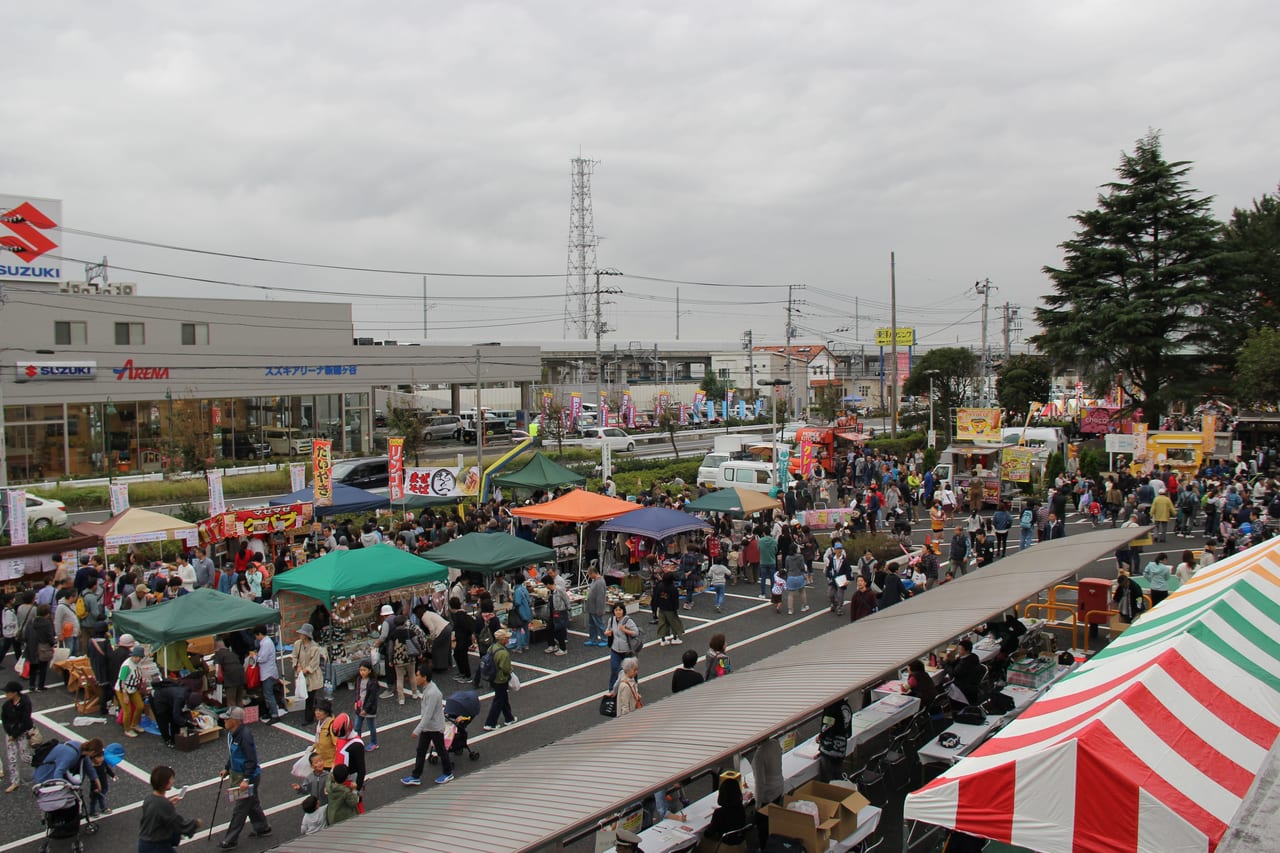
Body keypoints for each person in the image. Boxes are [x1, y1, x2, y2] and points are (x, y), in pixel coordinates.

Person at [217, 706, 271, 849]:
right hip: (238, 774)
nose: (224, 720)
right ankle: (263, 827)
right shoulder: (231, 734)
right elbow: (233, 754)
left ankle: (230, 839)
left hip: (248, 777)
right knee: (251, 804)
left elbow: (251, 759)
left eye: (227, 718)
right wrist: (227, 768)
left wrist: (246, 779)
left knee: (240, 809)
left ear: (235, 720)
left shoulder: (245, 736)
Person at [401, 664, 453, 786]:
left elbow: (428, 715)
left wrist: (417, 730)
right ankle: (415, 776)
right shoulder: (428, 689)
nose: (415, 677)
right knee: (421, 750)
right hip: (428, 727)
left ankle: (448, 772)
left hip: (434, 727)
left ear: (424, 677)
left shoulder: (432, 693)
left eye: (417, 675)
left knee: (441, 750)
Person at [138, 765, 202, 853]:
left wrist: (168, 803)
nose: (173, 781)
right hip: (157, 846)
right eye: (171, 779)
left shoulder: (149, 798)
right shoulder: (163, 804)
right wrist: (195, 823)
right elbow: (179, 824)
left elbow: (156, 813)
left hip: (143, 844)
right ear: (165, 783)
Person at [482, 628, 516, 731]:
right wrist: (511, 672)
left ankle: (509, 718)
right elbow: (506, 668)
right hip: (501, 679)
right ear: (503, 640)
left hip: (492, 677)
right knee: (499, 700)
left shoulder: (492, 647)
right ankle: (490, 723)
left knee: (503, 698)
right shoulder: (503, 653)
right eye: (507, 638)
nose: (509, 640)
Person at [2, 681, 33, 792]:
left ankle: (42, 766)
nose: (6, 694)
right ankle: (15, 782)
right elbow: (4, 720)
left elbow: (26, 721)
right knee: (12, 758)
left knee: (25, 757)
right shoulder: (6, 705)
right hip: (11, 734)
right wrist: (10, 733)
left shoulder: (25, 703)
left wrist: (14, 735)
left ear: (15, 693)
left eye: (8, 692)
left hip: (23, 733)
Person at [150, 680, 199, 749]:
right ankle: (167, 740)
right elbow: (176, 716)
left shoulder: (187, 693)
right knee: (163, 720)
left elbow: (184, 711)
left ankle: (175, 738)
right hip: (157, 698)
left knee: (173, 719)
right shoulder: (180, 697)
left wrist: (189, 721)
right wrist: (187, 722)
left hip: (168, 699)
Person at [293, 624, 327, 724]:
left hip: (312, 676)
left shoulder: (315, 647)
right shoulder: (297, 644)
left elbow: (314, 663)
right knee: (308, 696)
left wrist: (305, 670)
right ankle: (316, 712)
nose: (300, 634)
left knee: (310, 697)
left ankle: (309, 718)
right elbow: (294, 656)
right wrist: (297, 666)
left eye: (302, 633)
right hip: (301, 674)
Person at [250, 625, 283, 724]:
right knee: (269, 694)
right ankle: (272, 712)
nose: (256, 638)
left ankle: (274, 715)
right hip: (270, 671)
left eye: (256, 635)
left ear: (259, 634)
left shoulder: (265, 643)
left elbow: (262, 659)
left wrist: (254, 656)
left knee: (268, 694)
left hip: (267, 672)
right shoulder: (267, 642)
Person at [35, 737, 104, 784]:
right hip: (45, 777)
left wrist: (96, 781)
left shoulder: (79, 746)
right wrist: (61, 790)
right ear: (93, 752)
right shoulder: (71, 754)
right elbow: (58, 772)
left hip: (45, 771)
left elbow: (88, 766)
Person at [605, 602, 640, 690]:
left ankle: (634, 686)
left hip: (627, 651)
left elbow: (636, 632)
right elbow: (608, 630)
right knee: (614, 669)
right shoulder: (612, 620)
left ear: (623, 611)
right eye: (616, 610)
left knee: (631, 670)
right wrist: (607, 633)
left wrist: (625, 630)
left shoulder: (628, 621)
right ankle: (612, 689)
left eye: (620, 610)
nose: (618, 612)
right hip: (615, 649)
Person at [704, 773, 748, 842]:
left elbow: (709, 833)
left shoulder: (719, 813)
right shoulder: (741, 808)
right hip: (740, 841)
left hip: (724, 843)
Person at [116, 646, 148, 738]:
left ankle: (134, 724)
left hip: (133, 689)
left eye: (140, 657)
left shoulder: (137, 663)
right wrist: (125, 694)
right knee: (127, 711)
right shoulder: (127, 666)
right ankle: (127, 729)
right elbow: (121, 681)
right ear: (132, 656)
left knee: (140, 706)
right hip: (123, 689)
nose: (138, 659)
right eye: (136, 656)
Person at [944, 639, 985, 706]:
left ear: (967, 650)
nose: (958, 651)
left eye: (960, 649)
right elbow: (955, 664)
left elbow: (954, 673)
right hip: (972, 685)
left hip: (964, 687)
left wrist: (946, 662)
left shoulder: (965, 663)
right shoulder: (974, 656)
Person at [353, 661, 380, 751]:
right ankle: (358, 742)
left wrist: (365, 709)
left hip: (369, 709)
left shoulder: (373, 682)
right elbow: (357, 692)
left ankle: (374, 743)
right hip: (360, 707)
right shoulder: (359, 679)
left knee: (371, 726)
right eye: (361, 670)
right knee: (357, 726)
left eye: (364, 670)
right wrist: (356, 702)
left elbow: (372, 698)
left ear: (369, 671)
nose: (362, 672)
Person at [213, 637, 246, 710]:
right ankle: (241, 719)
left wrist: (218, 683)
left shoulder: (218, 654)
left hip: (231, 678)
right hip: (241, 676)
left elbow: (217, 670)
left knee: (231, 702)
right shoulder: (232, 653)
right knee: (239, 700)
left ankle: (234, 720)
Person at [654, 572, 684, 645]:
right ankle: (675, 638)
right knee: (674, 623)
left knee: (662, 623)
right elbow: (675, 600)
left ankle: (663, 640)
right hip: (670, 608)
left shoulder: (659, 586)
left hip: (661, 607)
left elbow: (656, 596)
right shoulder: (673, 588)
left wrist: (656, 606)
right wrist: (675, 608)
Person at [544, 575, 571, 656]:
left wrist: (569, 609)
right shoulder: (550, 591)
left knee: (558, 630)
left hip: (560, 612)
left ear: (548, 584)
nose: (545, 586)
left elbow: (566, 599)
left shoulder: (559, 590)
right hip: (552, 613)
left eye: (545, 585)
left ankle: (563, 648)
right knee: (549, 629)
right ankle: (552, 645)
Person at [824, 542, 852, 615]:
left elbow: (848, 570)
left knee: (840, 595)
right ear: (834, 550)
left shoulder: (845, 560)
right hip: (833, 579)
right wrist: (828, 576)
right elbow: (829, 568)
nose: (839, 550)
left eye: (840, 549)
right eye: (837, 549)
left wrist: (848, 579)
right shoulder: (831, 559)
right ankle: (834, 603)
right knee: (830, 594)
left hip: (841, 579)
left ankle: (839, 608)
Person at [584, 564, 608, 646]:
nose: (589, 576)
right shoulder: (594, 580)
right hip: (591, 607)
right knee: (592, 625)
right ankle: (592, 639)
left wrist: (599, 610)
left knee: (600, 624)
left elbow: (600, 598)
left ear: (593, 573)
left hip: (596, 608)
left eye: (589, 574)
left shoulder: (600, 582)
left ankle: (605, 639)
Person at [783, 544, 809, 615]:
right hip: (799, 576)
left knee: (790, 594)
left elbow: (786, 567)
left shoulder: (787, 557)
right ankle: (804, 606)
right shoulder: (800, 557)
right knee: (802, 592)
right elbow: (802, 567)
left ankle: (790, 610)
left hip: (790, 577)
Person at [312, 698, 337, 770]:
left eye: (320, 711)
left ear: (326, 712)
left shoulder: (332, 725)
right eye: (316, 710)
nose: (317, 713)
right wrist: (313, 747)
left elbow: (338, 745)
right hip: (321, 761)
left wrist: (335, 763)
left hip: (330, 764)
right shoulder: (320, 723)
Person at [510, 581, 533, 653]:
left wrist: (512, 600)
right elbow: (529, 600)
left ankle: (519, 647)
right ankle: (526, 645)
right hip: (527, 611)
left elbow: (517, 602)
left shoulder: (517, 591)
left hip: (520, 612)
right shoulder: (524, 589)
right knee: (526, 628)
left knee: (518, 629)